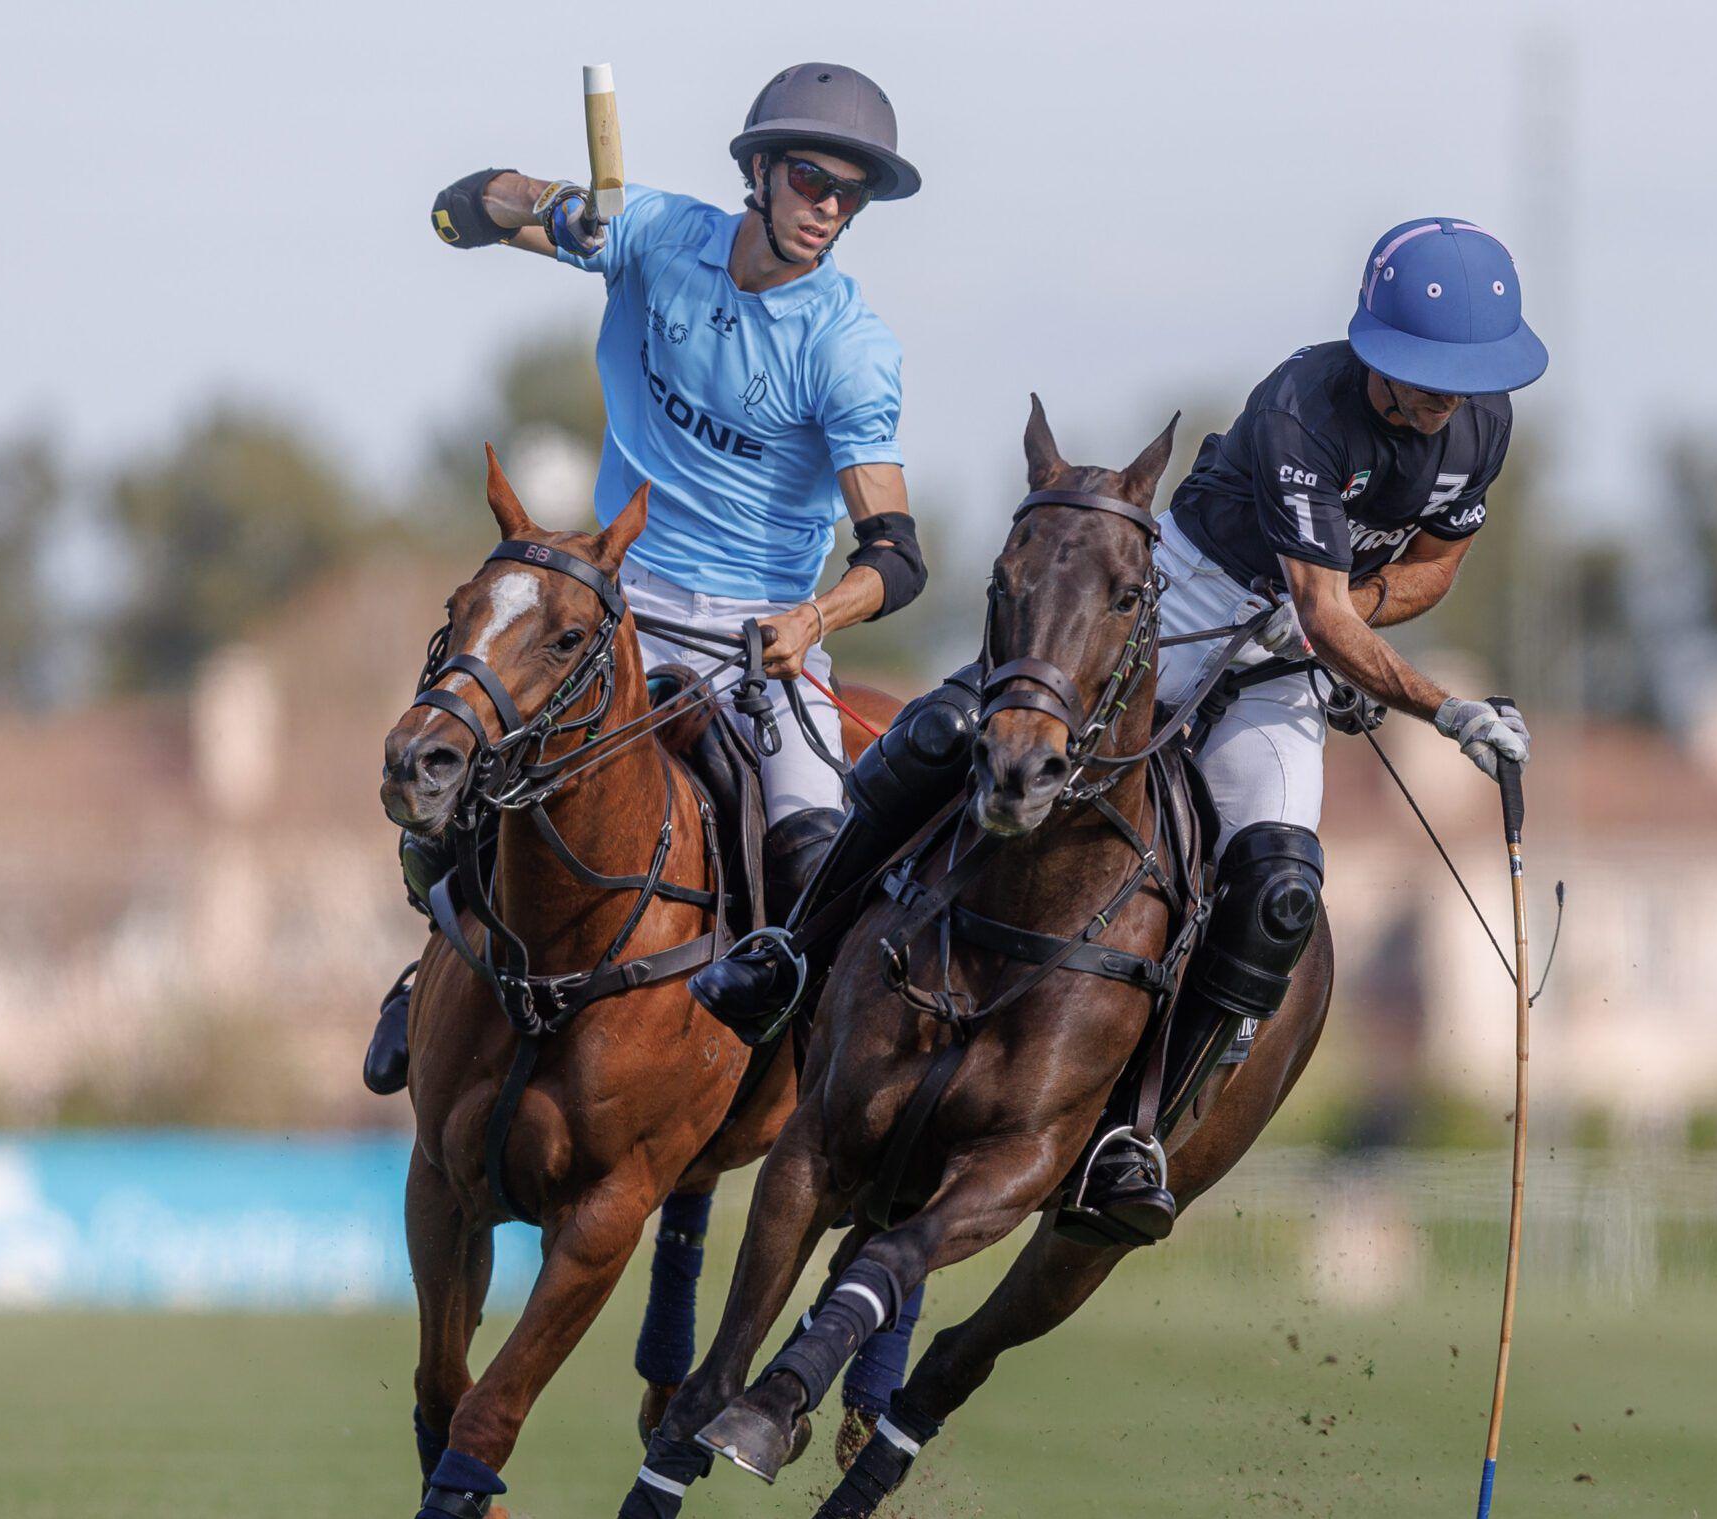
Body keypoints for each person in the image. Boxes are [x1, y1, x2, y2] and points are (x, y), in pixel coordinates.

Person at [696, 216, 1544, 1250]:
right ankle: (794, 951)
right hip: (1182, 598)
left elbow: (1429, 566)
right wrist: (1444, 707)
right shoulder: (1301, 408)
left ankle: (1136, 1135)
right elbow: (1323, 618)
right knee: (942, 733)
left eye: (1460, 378)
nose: (1439, 399)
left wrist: (1357, 605)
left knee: (1280, 895)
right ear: (1373, 348)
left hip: (1284, 651)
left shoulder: (1478, 427)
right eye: (1422, 375)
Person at [364, 63, 932, 1096]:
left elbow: (896, 556)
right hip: (618, 608)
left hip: (760, 639)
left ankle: (785, 1088)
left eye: (851, 195)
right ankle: (428, 981)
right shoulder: (660, 234)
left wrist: (814, 619)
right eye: (812, 180)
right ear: (760, 172)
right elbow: (468, 206)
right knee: (463, 775)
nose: (829, 209)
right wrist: (553, 214)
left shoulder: (848, 348)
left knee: (813, 854)